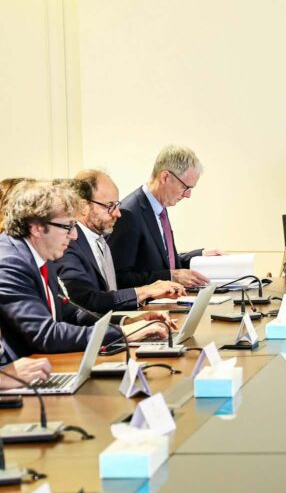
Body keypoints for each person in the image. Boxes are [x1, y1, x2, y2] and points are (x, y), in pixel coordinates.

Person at [0, 181, 167, 362]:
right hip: (22, 372)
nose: (74, 235)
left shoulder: (40, 253)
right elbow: (46, 334)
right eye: (68, 226)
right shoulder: (10, 264)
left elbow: (72, 314)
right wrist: (122, 333)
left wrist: (127, 322)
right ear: (37, 227)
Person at [54, 172, 185, 313]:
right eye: (109, 206)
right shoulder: (69, 244)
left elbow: (109, 299)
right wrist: (145, 291)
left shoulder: (100, 240)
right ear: (84, 206)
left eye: (117, 205)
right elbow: (86, 301)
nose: (118, 213)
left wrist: (134, 319)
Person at [108, 145, 219, 288]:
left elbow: (162, 262)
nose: (188, 195)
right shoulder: (129, 214)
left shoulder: (160, 207)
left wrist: (199, 256)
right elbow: (119, 278)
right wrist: (171, 276)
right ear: (165, 177)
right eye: (185, 187)